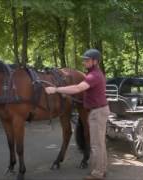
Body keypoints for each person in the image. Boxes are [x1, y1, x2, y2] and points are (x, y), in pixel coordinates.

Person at [45, 49, 109, 180]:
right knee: (99, 143)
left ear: (95, 61)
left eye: (87, 60)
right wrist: (65, 93)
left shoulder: (94, 75)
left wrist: (55, 89)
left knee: (96, 144)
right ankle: (101, 169)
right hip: (96, 110)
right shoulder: (92, 73)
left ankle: (97, 174)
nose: (84, 62)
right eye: (84, 60)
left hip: (97, 112)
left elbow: (78, 88)